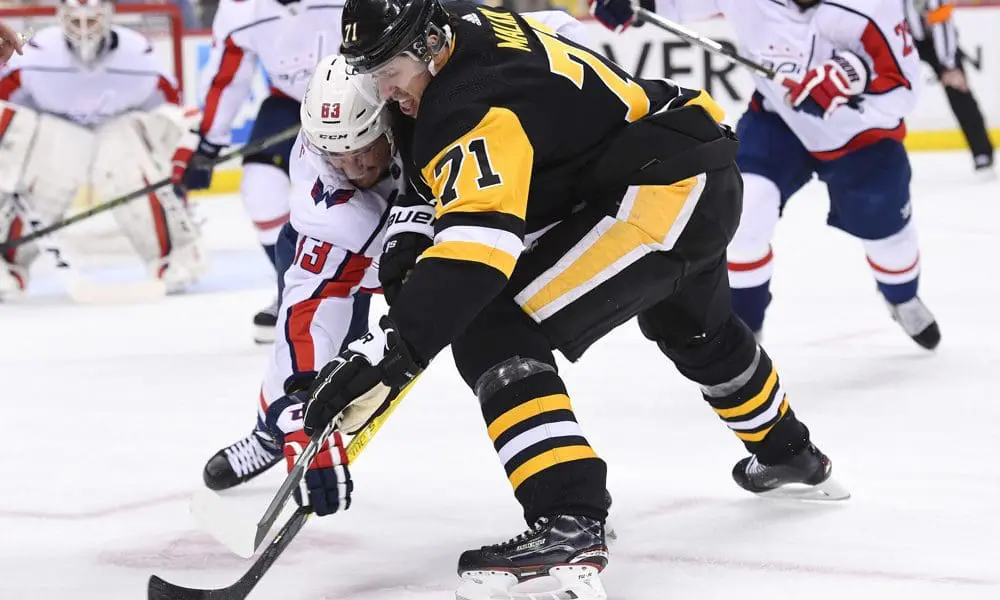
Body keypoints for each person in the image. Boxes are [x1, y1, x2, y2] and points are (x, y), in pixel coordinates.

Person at [272, 2, 849, 598]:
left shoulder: (470, 103)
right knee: (697, 333)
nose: (385, 92)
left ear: (425, 45)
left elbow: (477, 258)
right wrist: (407, 264)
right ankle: (791, 453)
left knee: (491, 323)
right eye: (371, 75)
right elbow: (442, 177)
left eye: (389, 72)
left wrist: (396, 348)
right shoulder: (463, 28)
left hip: (655, 195)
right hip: (686, 163)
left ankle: (568, 520)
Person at [591, 0, 942, 350]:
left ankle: (903, 297)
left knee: (889, 241)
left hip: (863, 137)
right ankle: (745, 331)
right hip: (779, 121)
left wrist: (851, 78)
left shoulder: (871, 7)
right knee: (743, 216)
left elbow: (904, 91)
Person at [200, 54, 416, 491]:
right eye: (337, 156)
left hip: (397, 230)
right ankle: (271, 431)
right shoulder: (330, 211)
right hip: (338, 255)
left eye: (360, 151)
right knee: (315, 355)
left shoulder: (411, 104)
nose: (352, 170)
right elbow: (308, 313)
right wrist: (300, 400)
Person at [170, 0, 346, 343]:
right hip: (289, 104)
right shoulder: (240, 9)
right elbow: (227, 77)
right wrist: (208, 143)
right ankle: (294, 289)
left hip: (364, 93)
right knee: (260, 190)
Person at [0, 0, 202, 299]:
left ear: (107, 17)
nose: (83, 30)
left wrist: (177, 173)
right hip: (56, 135)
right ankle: (9, 262)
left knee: (127, 154)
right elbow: (9, 110)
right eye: (75, 21)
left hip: (117, 132)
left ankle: (170, 255)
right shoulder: (35, 54)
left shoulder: (138, 55)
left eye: (91, 21)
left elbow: (169, 117)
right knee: (49, 156)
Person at [905, 0, 994, 179]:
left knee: (959, 91)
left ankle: (982, 152)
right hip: (899, 41)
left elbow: (942, 23)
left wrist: (949, 64)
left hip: (933, 41)